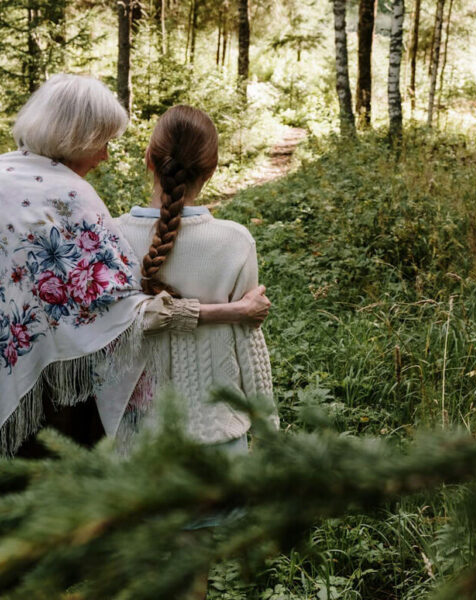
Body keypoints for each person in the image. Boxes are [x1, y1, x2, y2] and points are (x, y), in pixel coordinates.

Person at [0, 75, 271, 551]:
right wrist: (232, 311)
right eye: (103, 142)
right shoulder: (77, 199)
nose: (107, 155)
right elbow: (126, 313)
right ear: (74, 138)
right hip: (54, 387)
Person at [113, 104, 277, 600]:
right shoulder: (234, 241)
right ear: (213, 168)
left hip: (130, 433)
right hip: (212, 431)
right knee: (192, 575)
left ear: (149, 158)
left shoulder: (111, 236)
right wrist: (265, 422)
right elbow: (248, 337)